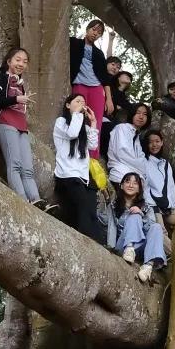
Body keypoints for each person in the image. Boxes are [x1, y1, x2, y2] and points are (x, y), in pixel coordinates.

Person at [0, 46, 41, 205]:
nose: (21, 64)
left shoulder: (20, 84)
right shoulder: (0, 78)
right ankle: (22, 201)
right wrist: (16, 99)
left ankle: (36, 201)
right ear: (9, 61)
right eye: (18, 60)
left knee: (28, 169)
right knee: (15, 164)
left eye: (25, 62)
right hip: (4, 123)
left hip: (22, 128)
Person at [53, 93, 103, 242]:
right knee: (82, 208)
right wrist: (77, 115)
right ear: (68, 105)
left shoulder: (83, 126)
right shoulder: (61, 122)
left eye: (83, 102)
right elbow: (72, 133)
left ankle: (99, 244)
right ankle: (86, 241)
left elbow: (93, 145)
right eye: (78, 101)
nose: (82, 104)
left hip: (84, 176)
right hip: (68, 174)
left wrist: (93, 122)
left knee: (92, 211)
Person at [113, 172, 167, 283]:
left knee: (156, 227)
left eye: (135, 183)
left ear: (139, 189)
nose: (131, 185)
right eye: (127, 181)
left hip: (140, 248)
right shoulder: (114, 205)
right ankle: (129, 248)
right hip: (122, 246)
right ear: (121, 185)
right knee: (134, 215)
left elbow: (151, 231)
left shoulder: (147, 208)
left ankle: (148, 266)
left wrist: (142, 214)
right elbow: (108, 226)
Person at [68, 20, 114, 136]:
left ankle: (94, 154)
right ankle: (78, 152)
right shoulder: (73, 42)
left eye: (99, 33)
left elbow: (105, 78)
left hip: (97, 88)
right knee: (78, 119)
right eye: (94, 29)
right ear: (87, 29)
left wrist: (109, 100)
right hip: (79, 85)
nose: (95, 33)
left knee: (95, 123)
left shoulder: (99, 53)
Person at [106, 101, 151, 187]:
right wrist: (142, 167)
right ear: (132, 114)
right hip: (120, 171)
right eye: (138, 113)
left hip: (134, 174)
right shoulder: (122, 128)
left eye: (145, 114)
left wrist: (143, 167)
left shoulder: (136, 136)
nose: (141, 116)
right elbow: (122, 154)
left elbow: (141, 158)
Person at [145, 128, 175, 221]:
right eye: (151, 142)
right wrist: (150, 204)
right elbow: (145, 187)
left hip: (169, 208)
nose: (154, 145)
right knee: (161, 232)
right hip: (153, 207)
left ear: (162, 143)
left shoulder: (166, 164)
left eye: (157, 141)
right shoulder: (144, 162)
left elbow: (171, 187)